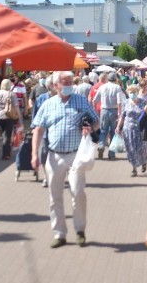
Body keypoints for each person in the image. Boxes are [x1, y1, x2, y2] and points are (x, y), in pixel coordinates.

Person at [31, 71, 99, 248]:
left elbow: (96, 121)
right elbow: (38, 130)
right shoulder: (48, 104)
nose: (68, 84)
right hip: (54, 155)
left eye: (70, 81)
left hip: (76, 155)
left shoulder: (81, 101)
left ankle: (80, 230)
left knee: (78, 193)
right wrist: (34, 155)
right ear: (55, 86)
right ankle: (59, 233)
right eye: (64, 82)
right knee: (55, 197)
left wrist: (89, 127)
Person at [0, 78, 24, 161]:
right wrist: (20, 118)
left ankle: (7, 152)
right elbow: (16, 108)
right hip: (9, 117)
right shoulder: (12, 94)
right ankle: (5, 154)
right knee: (7, 135)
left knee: (5, 135)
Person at [119, 84, 147, 176]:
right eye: (130, 92)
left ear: (137, 92)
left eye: (134, 92)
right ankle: (134, 169)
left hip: (140, 129)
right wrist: (118, 127)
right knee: (130, 149)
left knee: (141, 149)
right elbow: (122, 115)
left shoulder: (143, 102)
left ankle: (144, 162)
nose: (132, 94)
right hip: (128, 129)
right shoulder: (126, 102)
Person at [96, 72, 125, 160]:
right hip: (114, 111)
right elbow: (119, 102)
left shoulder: (102, 87)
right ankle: (111, 154)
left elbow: (95, 100)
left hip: (104, 110)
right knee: (113, 132)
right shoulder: (117, 87)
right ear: (116, 79)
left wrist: (95, 111)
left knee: (103, 131)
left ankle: (101, 145)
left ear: (108, 79)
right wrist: (120, 113)